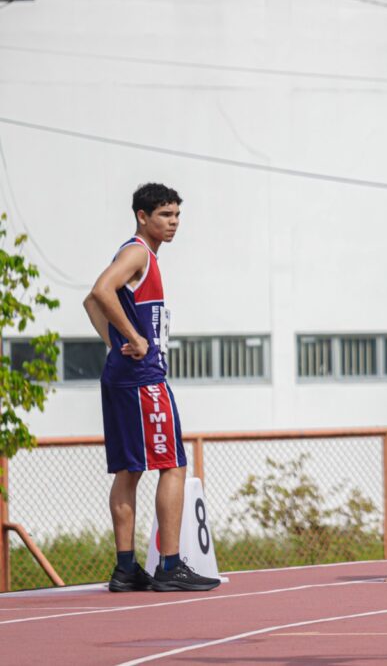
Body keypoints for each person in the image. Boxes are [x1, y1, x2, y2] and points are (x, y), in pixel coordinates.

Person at [83, 183, 220, 593]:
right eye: (164, 215)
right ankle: (170, 565)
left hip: (124, 375)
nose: (173, 223)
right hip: (143, 378)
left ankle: (126, 568)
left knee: (131, 467)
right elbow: (99, 292)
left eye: (177, 215)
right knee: (173, 464)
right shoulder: (138, 252)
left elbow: (92, 303)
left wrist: (113, 344)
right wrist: (133, 339)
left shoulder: (139, 256)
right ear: (143, 216)